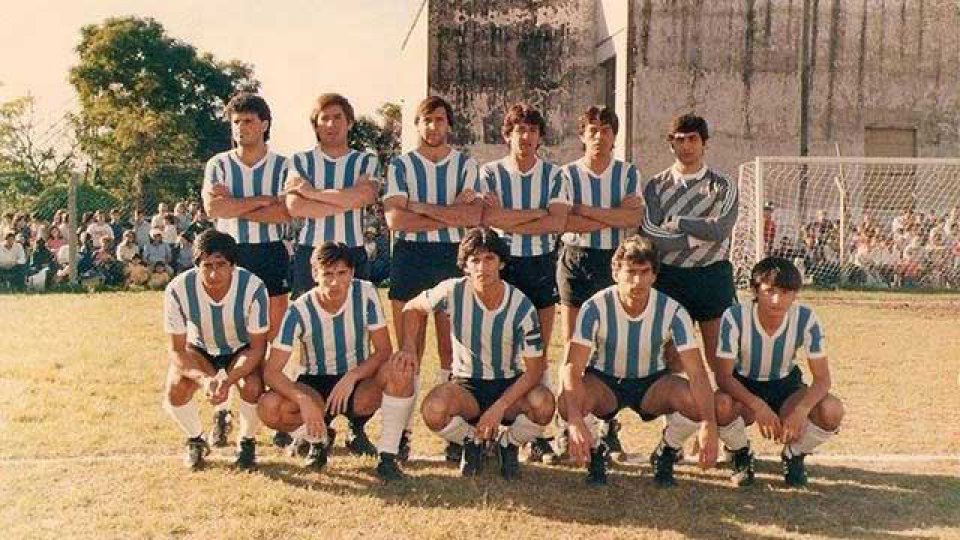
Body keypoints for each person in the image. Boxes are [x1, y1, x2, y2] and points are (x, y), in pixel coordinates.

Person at [559, 236, 723, 487]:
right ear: (615, 272)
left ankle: (666, 451)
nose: (637, 281)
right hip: (605, 382)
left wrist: (709, 422)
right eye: (630, 272)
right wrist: (574, 418)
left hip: (652, 384)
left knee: (696, 401)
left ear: (654, 275)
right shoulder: (595, 306)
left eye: (644, 272)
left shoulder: (673, 311)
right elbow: (572, 366)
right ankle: (595, 453)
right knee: (567, 401)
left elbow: (697, 372)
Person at [393, 227, 554, 479]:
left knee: (544, 404)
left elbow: (534, 371)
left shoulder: (521, 305)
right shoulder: (452, 290)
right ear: (465, 265)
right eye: (475, 260)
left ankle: (507, 444)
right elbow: (412, 308)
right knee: (433, 409)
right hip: (466, 386)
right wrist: (409, 346)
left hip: (506, 383)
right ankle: (472, 442)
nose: (482, 267)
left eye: (489, 258)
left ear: (501, 262)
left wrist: (499, 408)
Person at [382, 96, 484, 460]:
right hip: (409, 256)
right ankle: (401, 434)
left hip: (450, 257)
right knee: (408, 351)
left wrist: (420, 206)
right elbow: (395, 220)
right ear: (417, 125)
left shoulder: (466, 165)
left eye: (440, 120)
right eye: (426, 120)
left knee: (450, 350)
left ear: (449, 125)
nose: (433, 127)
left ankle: (453, 435)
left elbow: (470, 218)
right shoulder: (402, 165)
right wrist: (448, 211)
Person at [257, 242, 409, 481]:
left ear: (352, 273)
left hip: (357, 382)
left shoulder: (365, 293)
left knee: (400, 369)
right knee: (269, 407)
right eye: (327, 274)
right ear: (314, 274)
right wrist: (303, 400)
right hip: (315, 383)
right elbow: (272, 371)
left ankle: (387, 456)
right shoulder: (299, 309)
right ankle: (318, 439)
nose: (335, 282)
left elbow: (383, 351)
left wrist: (352, 377)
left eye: (342, 273)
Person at [479, 103, 570, 463]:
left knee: (538, 351)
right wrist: (536, 213)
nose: (527, 137)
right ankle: (487, 427)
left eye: (533, 130)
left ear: (539, 137)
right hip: (503, 265)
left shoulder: (554, 175)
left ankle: (537, 433)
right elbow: (487, 218)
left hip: (540, 264)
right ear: (508, 135)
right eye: (520, 130)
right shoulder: (489, 173)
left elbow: (557, 223)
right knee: (498, 347)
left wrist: (511, 219)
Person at [555, 105, 644, 458]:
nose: (598, 135)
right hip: (575, 261)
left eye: (605, 129)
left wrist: (585, 211)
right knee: (573, 345)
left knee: (609, 345)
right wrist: (611, 216)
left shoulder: (626, 173)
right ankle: (570, 426)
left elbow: (633, 217)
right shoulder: (566, 174)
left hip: (614, 263)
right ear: (582, 135)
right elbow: (564, 222)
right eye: (592, 129)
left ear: (614, 135)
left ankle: (608, 425)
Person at [714, 257, 845, 487]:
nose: (776, 300)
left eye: (785, 292)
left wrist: (801, 411)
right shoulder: (734, 316)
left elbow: (823, 379)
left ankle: (793, 454)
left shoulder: (806, 318)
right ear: (755, 290)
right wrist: (758, 406)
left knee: (831, 410)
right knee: (720, 405)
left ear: (795, 294)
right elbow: (723, 376)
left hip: (786, 384)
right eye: (769, 291)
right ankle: (740, 453)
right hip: (743, 384)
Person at [640, 114, 738, 384]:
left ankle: (725, 420)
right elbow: (651, 234)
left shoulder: (723, 185)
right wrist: (694, 239)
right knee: (672, 356)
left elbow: (720, 229)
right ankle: (676, 423)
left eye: (692, 139)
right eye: (679, 140)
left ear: (704, 143)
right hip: (671, 276)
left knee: (720, 357)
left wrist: (678, 222)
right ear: (671, 144)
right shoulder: (656, 185)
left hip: (711, 275)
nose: (686, 146)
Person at [161, 230, 269, 469]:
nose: (213, 273)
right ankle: (196, 439)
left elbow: (258, 348)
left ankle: (246, 442)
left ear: (233, 265)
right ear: (196, 264)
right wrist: (205, 379)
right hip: (199, 347)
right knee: (175, 389)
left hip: (241, 348)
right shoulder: (178, 289)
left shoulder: (253, 287)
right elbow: (177, 350)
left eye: (221, 265)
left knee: (252, 387)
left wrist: (228, 380)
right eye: (206, 265)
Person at [285, 93, 379, 296]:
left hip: (352, 249)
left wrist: (311, 192)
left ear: (349, 123)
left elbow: (366, 196)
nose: (331, 124)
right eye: (324, 118)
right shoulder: (300, 161)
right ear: (316, 126)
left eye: (337, 117)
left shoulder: (365, 161)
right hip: (311, 250)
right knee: (308, 318)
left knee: (355, 318)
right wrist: (349, 199)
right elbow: (296, 207)